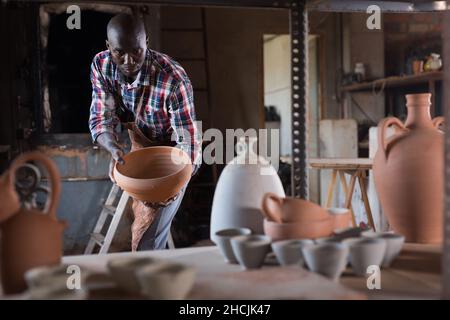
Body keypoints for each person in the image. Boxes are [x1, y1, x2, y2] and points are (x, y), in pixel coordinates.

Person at [88, 13, 201, 251]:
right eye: (120, 52)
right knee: (140, 219)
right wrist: (113, 148)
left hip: (176, 154)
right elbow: (101, 118)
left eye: (136, 51)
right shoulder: (102, 64)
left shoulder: (173, 79)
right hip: (140, 142)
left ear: (146, 42)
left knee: (147, 236)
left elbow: (189, 144)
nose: (129, 60)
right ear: (108, 47)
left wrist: (175, 182)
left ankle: (152, 280)